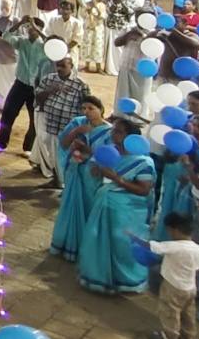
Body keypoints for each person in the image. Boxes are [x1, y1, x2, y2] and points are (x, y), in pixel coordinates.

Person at [75, 118, 156, 295]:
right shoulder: (108, 154)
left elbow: (143, 190)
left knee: (122, 245)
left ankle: (127, 280)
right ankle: (100, 277)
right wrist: (95, 171)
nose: (113, 134)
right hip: (105, 204)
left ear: (130, 137)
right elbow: (96, 176)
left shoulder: (143, 162)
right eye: (114, 130)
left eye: (119, 132)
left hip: (127, 210)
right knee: (100, 239)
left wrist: (116, 178)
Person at [49, 96, 108, 259]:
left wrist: (87, 150)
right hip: (74, 171)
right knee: (71, 206)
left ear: (101, 109)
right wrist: (77, 132)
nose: (87, 112)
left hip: (93, 177)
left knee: (89, 207)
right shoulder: (77, 123)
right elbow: (63, 144)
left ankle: (86, 247)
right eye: (83, 108)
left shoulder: (109, 131)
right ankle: (67, 243)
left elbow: (109, 157)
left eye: (91, 108)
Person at [144, 212, 199, 339]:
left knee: (170, 312)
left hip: (172, 287)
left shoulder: (172, 246)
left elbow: (154, 247)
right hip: (190, 288)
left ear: (174, 230)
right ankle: (189, 335)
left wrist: (134, 238)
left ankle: (169, 335)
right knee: (188, 313)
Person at [0, 16, 49, 154]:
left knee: (34, 118)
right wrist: (19, 23)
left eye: (34, 27)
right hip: (20, 83)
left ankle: (28, 147)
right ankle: (1, 142)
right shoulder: (22, 42)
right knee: (8, 112)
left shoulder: (44, 45)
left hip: (37, 87)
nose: (31, 30)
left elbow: (52, 43)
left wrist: (37, 29)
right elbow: (7, 36)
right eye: (29, 27)